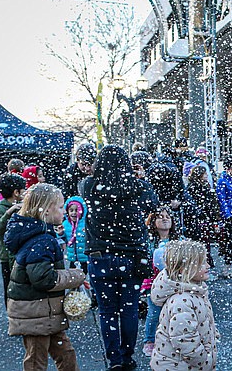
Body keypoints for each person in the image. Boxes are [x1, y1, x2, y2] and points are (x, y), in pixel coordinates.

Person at [81, 144, 158, 370]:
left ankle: (113, 359)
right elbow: (152, 204)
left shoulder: (90, 186)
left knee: (107, 311)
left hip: (100, 256)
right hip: (131, 257)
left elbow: (87, 180)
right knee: (129, 308)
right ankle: (127, 356)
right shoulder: (138, 187)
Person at [5, 183, 86, 371]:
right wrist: (75, 276)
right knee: (36, 361)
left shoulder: (40, 234)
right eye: (60, 207)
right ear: (47, 209)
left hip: (45, 312)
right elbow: (44, 279)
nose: (64, 211)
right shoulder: (42, 240)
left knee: (65, 356)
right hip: (36, 314)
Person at [150, 240, 218, 371]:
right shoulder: (182, 300)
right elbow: (184, 340)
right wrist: (203, 360)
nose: (208, 265)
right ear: (184, 268)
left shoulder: (194, 291)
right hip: (181, 366)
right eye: (203, 262)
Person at [141, 206, 178, 357]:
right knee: (154, 312)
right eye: (160, 216)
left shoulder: (178, 240)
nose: (164, 219)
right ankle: (149, 340)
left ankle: (171, 338)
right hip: (153, 281)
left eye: (167, 216)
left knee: (174, 311)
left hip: (174, 281)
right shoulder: (148, 241)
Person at [0, 173, 26, 306]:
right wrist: (9, 213)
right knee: (9, 286)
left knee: (21, 285)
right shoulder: (0, 208)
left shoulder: (21, 204)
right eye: (23, 189)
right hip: (6, 257)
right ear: (16, 192)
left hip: (20, 253)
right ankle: (11, 311)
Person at [186, 164, 222, 275]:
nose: (207, 175)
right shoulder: (198, 187)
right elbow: (210, 204)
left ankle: (201, 267)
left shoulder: (196, 187)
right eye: (204, 173)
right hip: (201, 219)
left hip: (201, 219)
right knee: (203, 244)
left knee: (203, 244)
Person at [62, 196, 89, 273]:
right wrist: (60, 233)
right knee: (73, 277)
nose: (74, 212)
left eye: (77, 210)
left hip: (84, 258)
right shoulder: (66, 224)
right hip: (72, 258)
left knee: (85, 276)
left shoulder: (86, 225)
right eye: (71, 210)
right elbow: (64, 240)